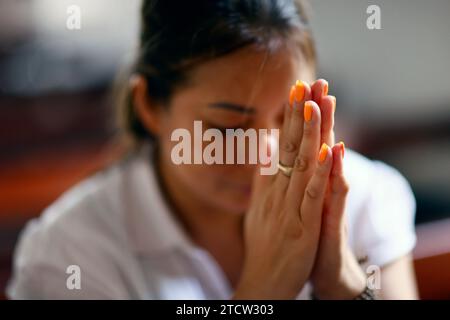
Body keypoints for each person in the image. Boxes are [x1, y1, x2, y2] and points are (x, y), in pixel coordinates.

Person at [7, 0, 418, 299]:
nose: (264, 155)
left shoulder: (363, 197)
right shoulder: (70, 255)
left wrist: (345, 285)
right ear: (150, 106)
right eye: (228, 127)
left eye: (290, 119)